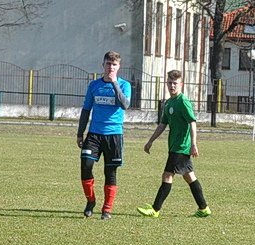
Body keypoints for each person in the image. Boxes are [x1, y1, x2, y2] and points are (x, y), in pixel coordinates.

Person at [137, 70, 210, 218]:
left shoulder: (183, 101)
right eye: (170, 83)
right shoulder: (169, 102)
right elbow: (162, 125)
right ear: (166, 83)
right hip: (174, 146)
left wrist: (193, 144)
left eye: (175, 83)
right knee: (189, 176)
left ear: (181, 84)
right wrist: (150, 141)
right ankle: (203, 208)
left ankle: (155, 209)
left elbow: (192, 122)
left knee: (167, 175)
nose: (172, 86)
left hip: (181, 147)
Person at [77, 51, 132, 219]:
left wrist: (114, 84)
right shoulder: (94, 85)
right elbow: (86, 110)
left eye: (114, 64)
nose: (111, 67)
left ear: (118, 67)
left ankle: (107, 209)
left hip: (114, 135)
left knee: (110, 172)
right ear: (103, 65)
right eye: (108, 64)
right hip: (94, 134)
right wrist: (80, 133)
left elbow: (125, 105)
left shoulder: (124, 85)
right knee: (86, 165)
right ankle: (90, 200)